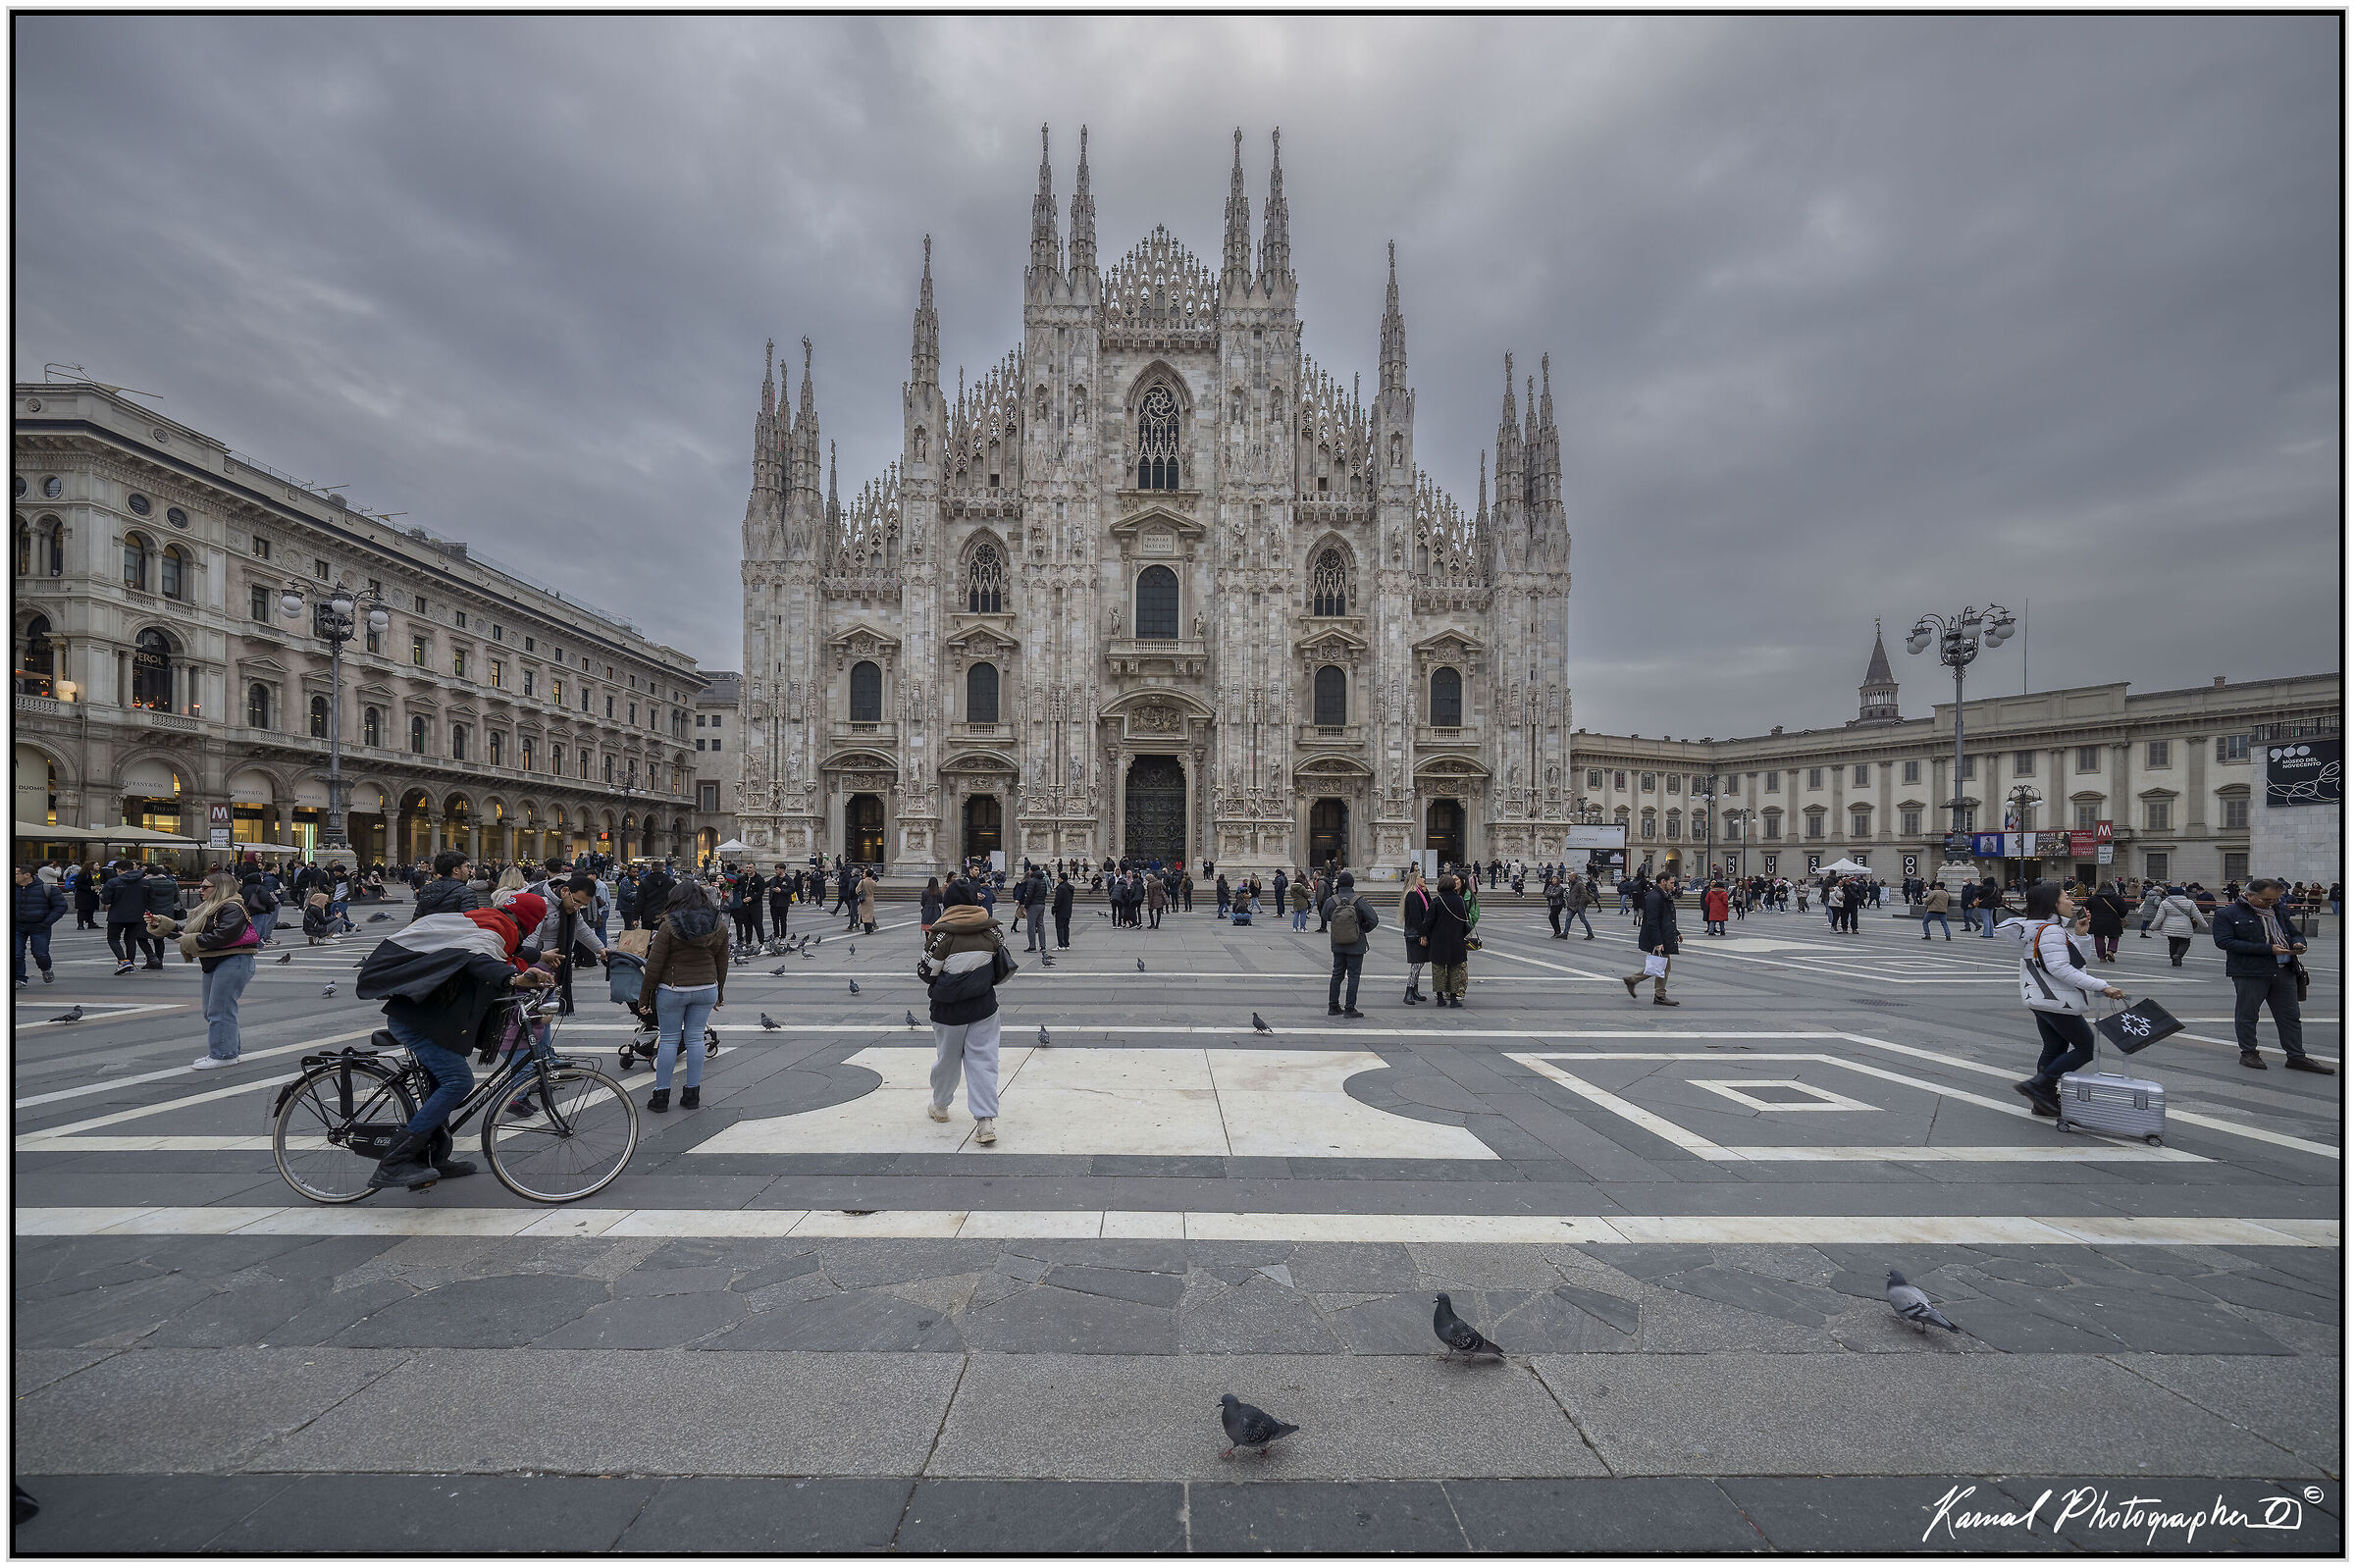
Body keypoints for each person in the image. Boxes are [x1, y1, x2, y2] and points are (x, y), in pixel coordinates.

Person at [355, 876, 556, 1187]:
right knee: (458, 1081)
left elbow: (504, 951)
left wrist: (538, 958)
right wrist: (513, 980)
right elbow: (480, 960)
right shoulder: (494, 931)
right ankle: (394, 1163)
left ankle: (432, 1157)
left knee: (441, 1086)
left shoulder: (487, 919)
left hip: (428, 1016)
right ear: (531, 924)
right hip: (419, 1020)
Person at [1998, 882, 2126, 1116]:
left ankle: (2043, 1102)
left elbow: (2077, 960)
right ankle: (2038, 1086)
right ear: (2053, 904)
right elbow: (2060, 968)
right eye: (2066, 897)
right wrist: (2103, 986)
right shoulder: (2051, 931)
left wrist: (2081, 936)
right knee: (2087, 1048)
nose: (2072, 902)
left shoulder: (2045, 929)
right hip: (2057, 1000)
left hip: (2042, 998)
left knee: (2055, 1046)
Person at [918, 883, 1013, 1144]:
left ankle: (940, 1106)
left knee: (947, 1059)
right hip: (983, 1006)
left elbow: (926, 972)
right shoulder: (991, 929)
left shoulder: (941, 934)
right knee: (983, 1061)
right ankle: (985, 1122)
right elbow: (1001, 963)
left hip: (948, 1009)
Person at [147, 869, 262, 1070]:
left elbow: (222, 935)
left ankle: (223, 1054)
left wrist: (191, 940)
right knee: (214, 1010)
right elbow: (190, 932)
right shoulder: (211, 907)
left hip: (233, 960)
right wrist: (163, 924)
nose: (200, 890)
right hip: (218, 961)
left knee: (221, 1010)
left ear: (220, 889)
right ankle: (227, 1051)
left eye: (205, 887)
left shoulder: (232, 907)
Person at [2213, 879, 2331, 1073]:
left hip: (2284, 969)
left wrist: (2298, 944)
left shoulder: (2279, 909)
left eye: (2275, 899)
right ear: (2249, 895)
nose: (2271, 903)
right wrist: (2268, 949)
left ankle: (2296, 1056)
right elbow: (2225, 942)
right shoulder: (2227, 913)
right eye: (2266, 899)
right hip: (2250, 972)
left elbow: (2293, 933)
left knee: (2290, 1016)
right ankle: (2249, 1052)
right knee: (2248, 1014)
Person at [641, 880, 729, 1112]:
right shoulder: (717, 924)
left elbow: (654, 965)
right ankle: (692, 1095)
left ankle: (660, 1097)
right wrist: (719, 991)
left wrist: (645, 996)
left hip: (673, 988)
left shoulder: (668, 926)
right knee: (695, 1039)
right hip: (706, 988)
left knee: (669, 1040)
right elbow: (722, 962)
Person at [1321, 870, 1381, 1018]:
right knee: (1353, 976)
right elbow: (1374, 919)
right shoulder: (1358, 900)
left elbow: (1324, 915)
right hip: (1355, 944)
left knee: (1337, 974)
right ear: (1352, 884)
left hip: (1338, 943)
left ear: (1338, 884)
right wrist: (1361, 929)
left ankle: (1333, 1006)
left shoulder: (1332, 900)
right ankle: (1349, 1008)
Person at [1624, 873, 1682, 1007]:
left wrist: (1676, 932)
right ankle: (1659, 995)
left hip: (1663, 935)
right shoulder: (1654, 897)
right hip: (1657, 937)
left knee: (1661, 966)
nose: (1674, 885)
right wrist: (1657, 942)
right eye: (1672, 883)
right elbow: (1652, 921)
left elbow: (1666, 918)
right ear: (1663, 882)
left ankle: (1633, 980)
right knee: (1663, 966)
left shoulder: (1662, 895)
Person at [1421, 872, 1474, 1009]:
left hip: (1439, 940)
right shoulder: (1460, 900)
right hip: (1456, 940)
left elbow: (1429, 921)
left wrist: (1426, 934)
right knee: (1455, 969)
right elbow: (1466, 919)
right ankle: (1454, 999)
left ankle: (1440, 998)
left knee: (1438, 969)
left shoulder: (1438, 901)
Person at [13, 864, 65, 987]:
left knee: (40, 953)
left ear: (27, 875)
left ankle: (46, 969)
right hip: (17, 926)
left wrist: (46, 922)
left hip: (40, 926)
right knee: (16, 954)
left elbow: (61, 906)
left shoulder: (47, 889)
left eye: (15, 874)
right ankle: (19, 979)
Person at [101, 862, 149, 974]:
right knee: (131, 939)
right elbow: (150, 898)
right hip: (137, 915)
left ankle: (123, 961)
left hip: (117, 915)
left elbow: (106, 900)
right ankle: (130, 963)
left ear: (118, 870)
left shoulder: (113, 882)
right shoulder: (145, 882)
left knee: (113, 939)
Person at [2150, 883, 2207, 967]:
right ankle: (2179, 955)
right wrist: (2204, 925)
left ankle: (2174, 960)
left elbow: (2159, 917)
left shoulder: (2164, 903)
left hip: (2169, 926)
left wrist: (2153, 927)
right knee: (2185, 943)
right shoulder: (2190, 902)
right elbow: (2197, 915)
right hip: (2185, 926)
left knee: (2173, 943)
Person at [1399, 866, 1433, 1005]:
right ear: (1415, 880)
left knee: (1419, 962)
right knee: (1416, 964)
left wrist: (1426, 892)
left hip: (1417, 932)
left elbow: (1430, 908)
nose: (1423, 879)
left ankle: (1414, 991)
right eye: (1421, 877)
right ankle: (1408, 991)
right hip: (1415, 934)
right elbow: (1416, 917)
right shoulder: (1412, 895)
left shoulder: (1419, 893)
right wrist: (1423, 935)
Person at [413, 850, 479, 918]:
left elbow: (416, 922)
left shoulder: (426, 890)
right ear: (456, 870)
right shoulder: (466, 893)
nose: (469, 870)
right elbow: (470, 923)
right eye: (467, 866)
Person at [2085, 882, 2127, 964]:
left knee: (2099, 938)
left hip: (2097, 922)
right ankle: (2110, 950)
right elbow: (2124, 910)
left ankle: (2102, 957)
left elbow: (2085, 907)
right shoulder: (2117, 897)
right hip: (2113, 921)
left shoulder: (2093, 898)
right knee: (2114, 936)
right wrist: (2120, 915)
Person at [1564, 873, 1596, 940]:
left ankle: (1590, 934)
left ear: (1574, 877)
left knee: (1583, 920)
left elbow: (1584, 894)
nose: (1568, 877)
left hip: (1578, 905)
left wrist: (1580, 904)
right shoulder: (1571, 883)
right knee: (1568, 919)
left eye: (1569, 876)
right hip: (1572, 905)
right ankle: (1565, 933)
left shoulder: (1579, 884)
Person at [1051, 871, 1074, 949]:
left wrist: (1054, 909)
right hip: (1068, 910)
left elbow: (1058, 900)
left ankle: (1061, 944)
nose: (1057, 879)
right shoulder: (1069, 887)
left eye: (1058, 878)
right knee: (1066, 927)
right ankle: (1066, 944)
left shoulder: (1061, 888)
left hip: (1061, 910)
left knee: (1060, 927)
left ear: (1061, 879)